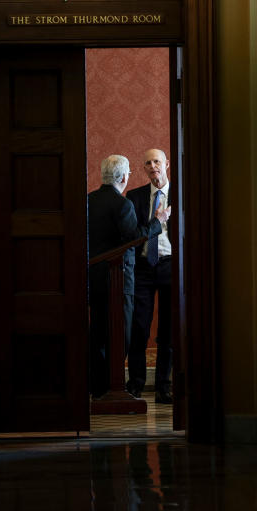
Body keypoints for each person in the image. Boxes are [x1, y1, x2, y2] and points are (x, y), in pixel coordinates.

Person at [88, 155, 171, 399]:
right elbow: (134, 238)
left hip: (95, 276)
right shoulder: (125, 203)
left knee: (98, 333)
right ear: (124, 177)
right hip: (120, 278)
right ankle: (115, 388)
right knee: (123, 334)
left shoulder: (89, 200)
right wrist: (158, 221)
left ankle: (99, 388)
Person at [125, 148, 174, 404]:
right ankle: (135, 384)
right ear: (143, 169)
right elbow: (133, 235)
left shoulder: (180, 195)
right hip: (143, 267)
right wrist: (156, 220)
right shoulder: (134, 197)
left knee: (167, 331)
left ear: (166, 164)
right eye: (147, 163)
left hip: (170, 266)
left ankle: (164, 387)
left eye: (157, 161)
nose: (152, 165)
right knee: (139, 328)